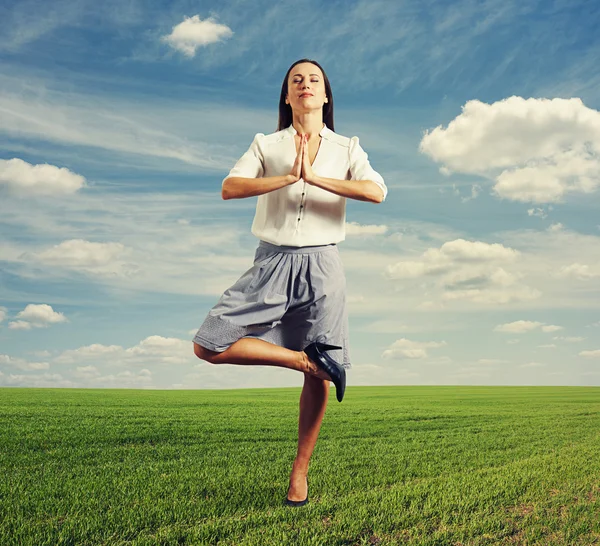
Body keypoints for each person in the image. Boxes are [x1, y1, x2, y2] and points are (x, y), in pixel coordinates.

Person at [192, 58, 387, 507]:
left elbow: (376, 190)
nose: (304, 85)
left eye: (313, 80)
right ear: (287, 95)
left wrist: (316, 177)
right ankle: (305, 360)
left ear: (324, 96)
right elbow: (230, 186)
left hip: (324, 267)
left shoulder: (347, 148)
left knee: (321, 380)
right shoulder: (267, 144)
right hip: (271, 261)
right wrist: (287, 177)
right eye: (295, 80)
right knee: (210, 344)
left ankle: (300, 475)